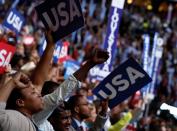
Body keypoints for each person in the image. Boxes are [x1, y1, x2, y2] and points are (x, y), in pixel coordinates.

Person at [0, 33, 109, 131]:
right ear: (20, 102)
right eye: (34, 93)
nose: (39, 94)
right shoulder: (15, 119)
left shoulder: (37, 120)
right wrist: (12, 82)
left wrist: (89, 64)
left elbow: (60, 93)